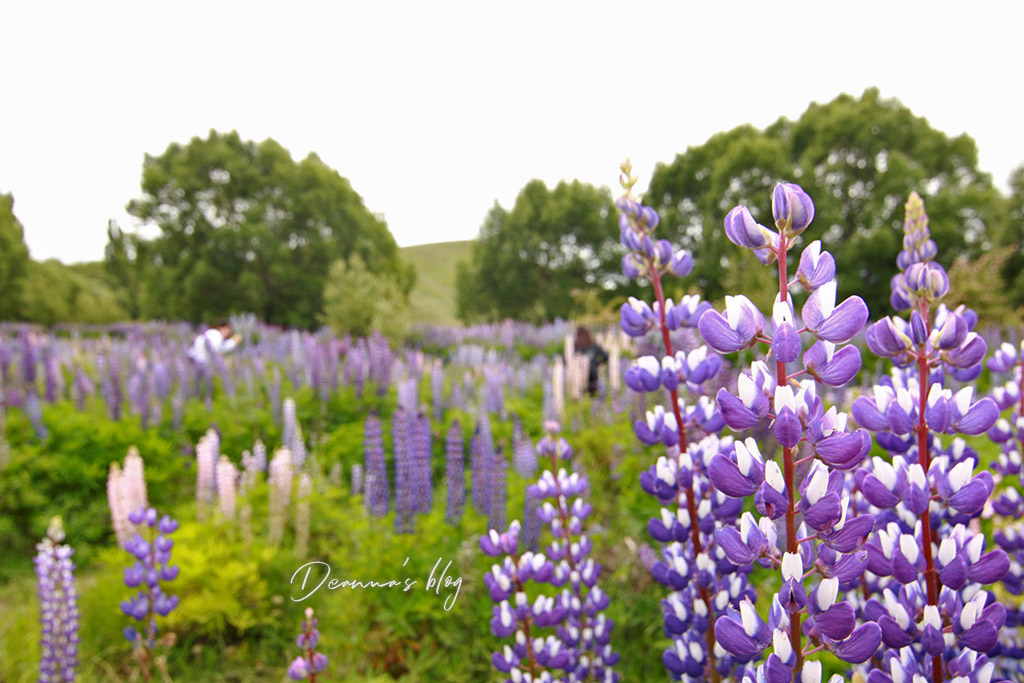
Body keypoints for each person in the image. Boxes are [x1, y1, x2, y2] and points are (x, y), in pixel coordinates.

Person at [574, 326, 608, 396]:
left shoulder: (576, 347)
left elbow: (567, 361)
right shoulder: (594, 345)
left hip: (579, 381)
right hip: (594, 379)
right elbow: (606, 357)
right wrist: (598, 364)